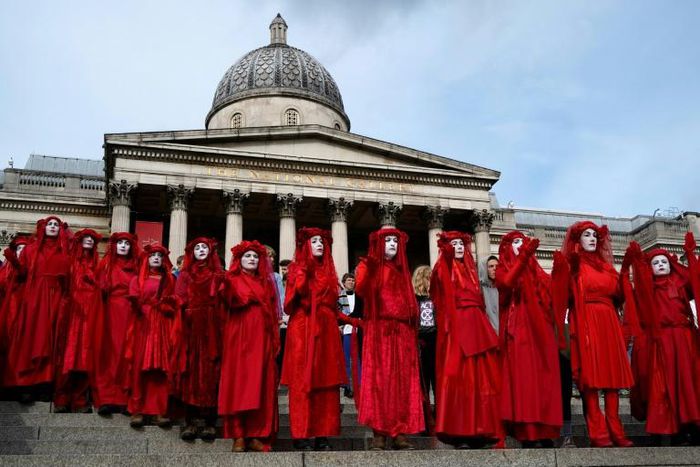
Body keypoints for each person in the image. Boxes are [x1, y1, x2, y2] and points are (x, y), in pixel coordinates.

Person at [552, 221, 634, 447]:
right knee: (592, 379)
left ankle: (616, 431)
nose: (592, 238)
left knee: (611, 380)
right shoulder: (573, 266)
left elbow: (619, 295)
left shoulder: (606, 267)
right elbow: (562, 297)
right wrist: (564, 272)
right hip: (587, 320)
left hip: (608, 322)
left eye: (595, 235)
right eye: (586, 235)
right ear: (577, 240)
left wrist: (625, 270)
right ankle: (598, 433)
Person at [622, 236, 700, 444]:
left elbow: (696, 281)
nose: (660, 265)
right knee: (663, 385)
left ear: (671, 264)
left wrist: (691, 256)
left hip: (684, 340)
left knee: (686, 382)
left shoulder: (681, 284)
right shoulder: (647, 288)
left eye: (664, 261)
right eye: (655, 263)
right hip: (661, 341)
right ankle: (665, 428)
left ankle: (689, 426)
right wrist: (638, 263)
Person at [430, 231, 503, 448]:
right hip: (458, 326)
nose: (460, 247)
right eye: (454, 244)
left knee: (481, 379)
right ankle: (461, 431)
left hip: (477, 324)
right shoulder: (443, 268)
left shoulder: (471, 270)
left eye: (462, 243)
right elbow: (438, 293)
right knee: (462, 380)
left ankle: (481, 429)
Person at [355, 228, 424, 450]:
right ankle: (380, 433)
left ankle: (399, 431)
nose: (393, 243)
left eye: (396, 240)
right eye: (388, 240)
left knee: (402, 383)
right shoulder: (369, 265)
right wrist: (371, 267)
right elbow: (361, 289)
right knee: (379, 381)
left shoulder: (402, 272)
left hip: (402, 333)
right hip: (380, 330)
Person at [281, 227, 347, 451]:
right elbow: (288, 305)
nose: (319, 244)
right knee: (302, 381)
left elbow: (332, 303)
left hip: (326, 329)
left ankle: (322, 434)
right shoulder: (296, 268)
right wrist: (301, 279)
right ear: (305, 245)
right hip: (303, 327)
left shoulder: (329, 272)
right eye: (314, 241)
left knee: (325, 383)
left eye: (322, 241)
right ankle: (301, 434)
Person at [497, 231, 562, 448]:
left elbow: (553, 291)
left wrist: (563, 269)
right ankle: (527, 432)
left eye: (522, 242)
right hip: (519, 329)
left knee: (543, 380)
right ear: (507, 247)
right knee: (525, 381)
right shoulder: (503, 267)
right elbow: (506, 283)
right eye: (516, 242)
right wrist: (524, 257)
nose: (521, 245)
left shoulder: (536, 270)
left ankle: (544, 430)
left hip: (540, 330)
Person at [219, 240, 280, 452]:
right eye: (248, 256)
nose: (252, 259)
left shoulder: (266, 283)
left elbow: (273, 312)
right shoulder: (231, 280)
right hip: (239, 336)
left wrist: (273, 338)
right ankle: (238, 434)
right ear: (239, 260)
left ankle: (256, 434)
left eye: (255, 256)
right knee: (239, 384)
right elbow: (227, 301)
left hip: (261, 338)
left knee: (260, 384)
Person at [11, 216, 71, 403]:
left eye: (56, 225)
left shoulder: (64, 252)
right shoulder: (30, 250)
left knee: (51, 340)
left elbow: (67, 282)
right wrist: (13, 261)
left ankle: (45, 384)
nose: (53, 227)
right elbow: (21, 275)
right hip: (35, 299)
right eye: (50, 224)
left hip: (55, 299)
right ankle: (25, 384)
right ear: (43, 227)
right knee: (30, 339)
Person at [173, 237, 224, 441]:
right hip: (191, 329)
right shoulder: (185, 275)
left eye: (205, 247)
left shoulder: (218, 275)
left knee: (212, 373)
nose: (201, 250)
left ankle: (210, 421)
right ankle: (191, 421)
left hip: (213, 328)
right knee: (191, 373)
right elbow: (180, 297)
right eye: (197, 248)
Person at [123, 244, 178, 428]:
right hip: (143, 325)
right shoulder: (137, 279)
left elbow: (175, 302)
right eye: (152, 255)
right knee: (140, 367)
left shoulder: (169, 280)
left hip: (162, 324)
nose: (156, 258)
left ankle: (159, 410)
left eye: (159, 255)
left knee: (161, 369)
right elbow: (133, 302)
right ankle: (137, 409)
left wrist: (166, 304)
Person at [54, 229, 102, 413]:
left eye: (92, 238)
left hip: (91, 314)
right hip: (73, 313)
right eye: (86, 237)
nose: (89, 240)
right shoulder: (70, 261)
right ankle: (62, 397)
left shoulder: (97, 264)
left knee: (85, 356)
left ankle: (80, 399)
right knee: (68, 355)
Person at [92, 233, 140, 415]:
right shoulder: (106, 265)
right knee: (111, 352)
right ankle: (107, 397)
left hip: (131, 313)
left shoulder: (136, 266)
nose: (123, 246)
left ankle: (126, 398)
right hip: (111, 313)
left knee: (128, 354)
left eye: (127, 243)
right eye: (120, 242)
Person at [0, 236, 31, 390]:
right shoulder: (6, 269)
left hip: (25, 311)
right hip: (8, 311)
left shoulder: (31, 270)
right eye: (19, 249)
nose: (22, 252)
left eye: (25, 249)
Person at [412, 265, 436, 430]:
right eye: (428, 278)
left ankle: (439, 416)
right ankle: (425, 420)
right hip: (421, 342)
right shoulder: (415, 299)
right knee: (422, 384)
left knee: (438, 382)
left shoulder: (436, 298)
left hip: (436, 341)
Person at [338, 272, 363, 399]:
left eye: (353, 280)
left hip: (358, 330)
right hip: (345, 330)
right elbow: (337, 312)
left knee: (358, 359)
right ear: (344, 282)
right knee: (346, 360)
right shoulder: (339, 296)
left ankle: (360, 385)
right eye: (349, 280)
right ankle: (347, 387)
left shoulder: (359, 296)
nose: (351, 282)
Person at [277, 259, 292, 371]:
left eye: (285, 269)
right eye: (282, 269)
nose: (283, 271)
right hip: (281, 322)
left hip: (292, 320)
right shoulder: (279, 282)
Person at [479, 255, 499, 332]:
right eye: (491, 266)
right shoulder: (479, 288)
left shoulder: (502, 288)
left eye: (497, 266)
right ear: (484, 268)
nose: (495, 268)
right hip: (487, 333)